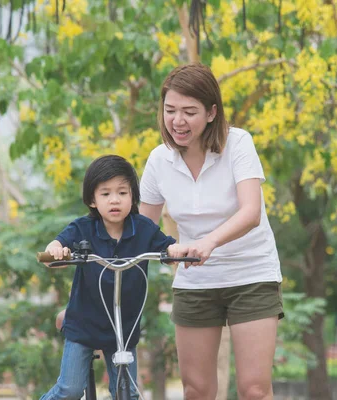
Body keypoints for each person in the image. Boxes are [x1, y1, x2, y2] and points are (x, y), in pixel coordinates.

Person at [139, 63, 284, 400]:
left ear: (211, 113)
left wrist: (208, 243)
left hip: (251, 273)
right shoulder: (159, 161)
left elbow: (251, 212)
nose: (177, 121)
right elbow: (141, 230)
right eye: (170, 110)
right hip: (196, 280)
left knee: (254, 390)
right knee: (196, 390)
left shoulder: (238, 143)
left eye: (189, 112)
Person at [40, 154, 183, 400]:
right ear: (92, 200)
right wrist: (56, 250)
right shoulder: (82, 228)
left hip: (124, 327)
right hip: (84, 324)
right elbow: (57, 244)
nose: (114, 200)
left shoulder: (144, 229)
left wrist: (176, 250)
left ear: (133, 197)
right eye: (105, 194)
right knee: (70, 390)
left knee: (127, 394)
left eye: (122, 193)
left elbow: (168, 247)